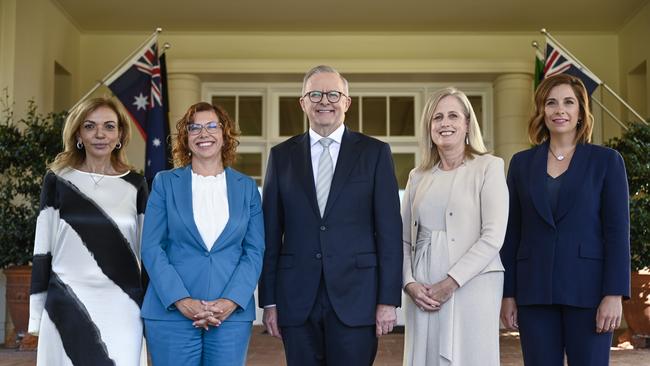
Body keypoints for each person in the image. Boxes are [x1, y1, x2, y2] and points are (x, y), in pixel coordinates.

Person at [258, 65, 403, 365]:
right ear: (303, 102)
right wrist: (269, 301)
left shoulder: (375, 153)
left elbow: (389, 232)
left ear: (347, 102)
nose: (325, 101)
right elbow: (270, 234)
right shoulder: (281, 156)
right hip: (297, 300)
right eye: (315, 94)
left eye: (333, 94)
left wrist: (388, 300)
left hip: (358, 298)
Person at [500, 74, 630, 366]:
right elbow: (512, 233)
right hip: (534, 293)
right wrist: (508, 294)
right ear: (541, 111)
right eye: (551, 103)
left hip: (590, 293)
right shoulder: (521, 164)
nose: (560, 110)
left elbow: (617, 232)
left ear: (581, 112)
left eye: (568, 102)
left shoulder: (607, 161)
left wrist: (614, 294)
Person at [141, 102, 264, 366]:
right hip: (171, 312)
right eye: (194, 127)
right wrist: (181, 299)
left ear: (225, 134)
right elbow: (152, 247)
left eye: (211, 126)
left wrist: (231, 300)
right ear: (185, 138)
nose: (203, 133)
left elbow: (254, 250)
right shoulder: (164, 183)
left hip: (229, 315)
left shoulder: (247, 188)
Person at [28, 97, 148, 366]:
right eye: (90, 126)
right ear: (79, 133)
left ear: (120, 135)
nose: (100, 134)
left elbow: (146, 252)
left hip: (124, 306)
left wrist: (151, 314)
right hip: (66, 303)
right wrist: (37, 314)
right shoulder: (57, 180)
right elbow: (42, 248)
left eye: (109, 126)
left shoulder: (136, 184)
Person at [401, 87, 508, 365]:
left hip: (474, 285)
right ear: (429, 127)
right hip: (423, 290)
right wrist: (409, 282)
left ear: (467, 124)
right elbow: (402, 239)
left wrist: (451, 282)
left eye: (453, 116)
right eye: (437, 117)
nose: (444, 123)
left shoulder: (489, 167)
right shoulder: (417, 176)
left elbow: (493, 236)